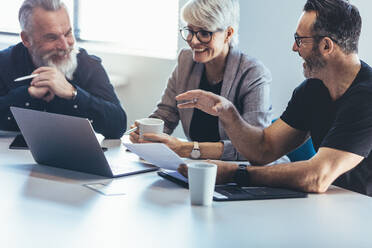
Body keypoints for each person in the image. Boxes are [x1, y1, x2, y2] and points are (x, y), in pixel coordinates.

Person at [177, 0, 372, 196]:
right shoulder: (313, 89)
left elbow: (317, 177)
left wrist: (235, 173)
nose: (294, 48)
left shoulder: (367, 97)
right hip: (337, 204)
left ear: (326, 45)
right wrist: (228, 113)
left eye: (300, 40)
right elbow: (264, 149)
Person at [130, 0, 288, 163]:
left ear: (228, 33)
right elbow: (166, 114)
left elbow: (255, 148)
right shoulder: (186, 61)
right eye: (190, 31)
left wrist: (186, 148)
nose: (194, 41)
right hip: (199, 168)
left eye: (204, 33)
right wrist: (146, 136)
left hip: (241, 173)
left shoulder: (253, 74)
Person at [0, 0, 127, 138]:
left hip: (75, 156)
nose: (65, 46)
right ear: (26, 39)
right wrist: (27, 94)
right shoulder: (4, 62)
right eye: (52, 37)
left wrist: (73, 94)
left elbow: (118, 126)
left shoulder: (87, 64)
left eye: (67, 33)